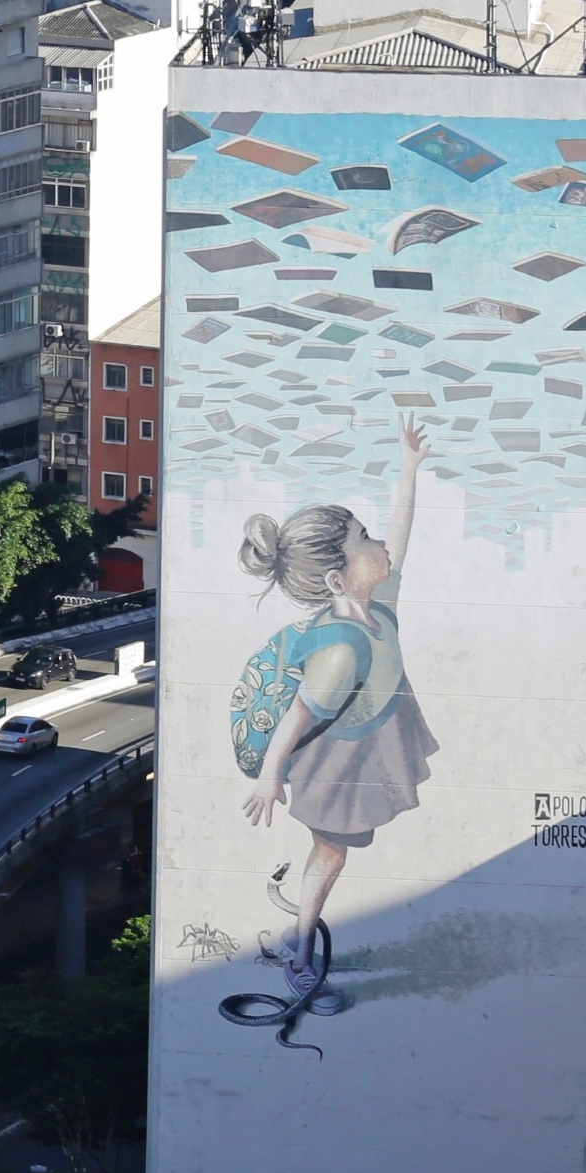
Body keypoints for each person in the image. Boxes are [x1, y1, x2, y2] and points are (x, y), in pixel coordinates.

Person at [239, 412, 440, 999]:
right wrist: (270, 778)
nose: (380, 545)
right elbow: (297, 718)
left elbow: (399, 541)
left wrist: (408, 468)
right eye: (364, 541)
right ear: (336, 579)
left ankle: (300, 935)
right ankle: (301, 955)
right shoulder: (340, 652)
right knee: (330, 853)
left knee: (333, 853)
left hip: (376, 732)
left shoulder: (376, 600)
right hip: (343, 760)